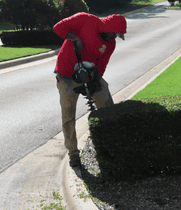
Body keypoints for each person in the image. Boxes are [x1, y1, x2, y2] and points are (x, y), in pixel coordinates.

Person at [53, 12, 127, 167]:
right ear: (107, 28)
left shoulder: (110, 44)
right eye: (113, 33)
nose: (114, 37)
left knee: (105, 96)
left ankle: (111, 142)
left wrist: (95, 78)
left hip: (88, 75)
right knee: (68, 113)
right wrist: (75, 38)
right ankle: (73, 153)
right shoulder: (85, 19)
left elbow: (102, 66)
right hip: (66, 74)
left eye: (117, 35)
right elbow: (58, 28)